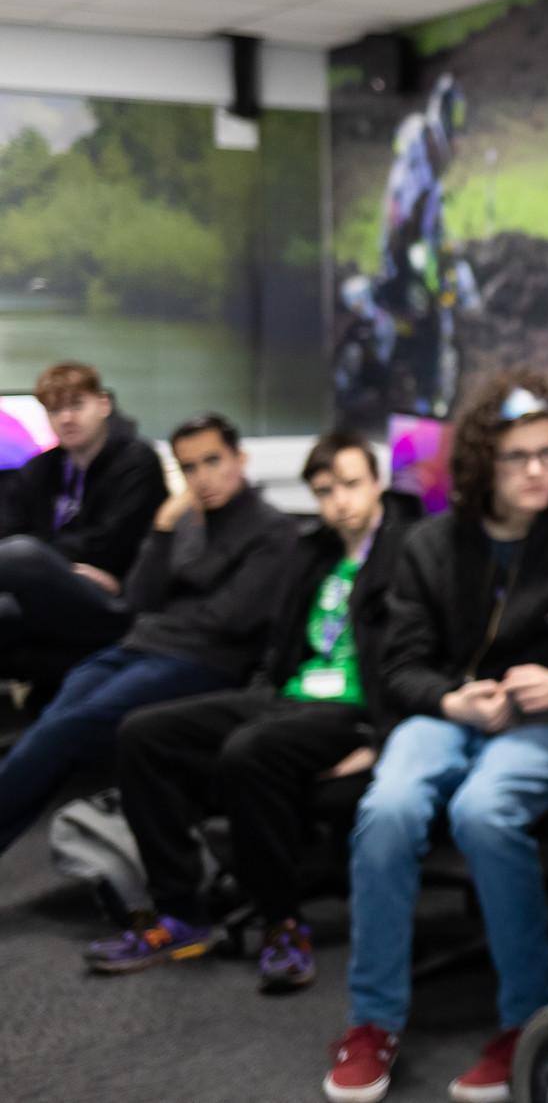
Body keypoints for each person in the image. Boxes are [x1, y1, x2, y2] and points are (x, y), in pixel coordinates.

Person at [325, 370, 548, 1103]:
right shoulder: (431, 544)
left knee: (484, 810)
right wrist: (453, 698)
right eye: (518, 456)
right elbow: (398, 667)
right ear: (485, 461)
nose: (537, 470)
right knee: (386, 809)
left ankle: (526, 1017)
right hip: (450, 713)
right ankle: (373, 1021)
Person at [83, 431, 417, 991]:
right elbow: (282, 644)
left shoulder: (411, 552)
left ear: (378, 483)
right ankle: (180, 912)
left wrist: (387, 738)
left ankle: (282, 924)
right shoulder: (314, 552)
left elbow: (425, 657)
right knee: (144, 733)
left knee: (249, 751)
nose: (340, 501)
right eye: (325, 490)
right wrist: (267, 686)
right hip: (289, 695)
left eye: (353, 485)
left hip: (355, 710)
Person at [0, 412, 295, 859]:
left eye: (213, 461)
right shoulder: (186, 522)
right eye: (190, 467)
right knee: (49, 726)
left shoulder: (274, 530)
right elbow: (137, 599)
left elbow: (229, 619)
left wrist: (172, 601)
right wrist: (160, 528)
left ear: (240, 458)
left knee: (66, 730)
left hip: (203, 663)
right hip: (141, 646)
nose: (203, 477)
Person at [0, 361, 168, 681]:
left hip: (117, 601)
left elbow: (109, 543)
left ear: (103, 404)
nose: (66, 418)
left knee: (24, 555)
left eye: (76, 405)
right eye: (55, 410)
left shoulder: (137, 461)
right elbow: (7, 531)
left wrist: (46, 562)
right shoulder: (40, 469)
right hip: (55, 594)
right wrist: (60, 568)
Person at [343, 74, 468, 415]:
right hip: (398, 263)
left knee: (432, 318)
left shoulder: (432, 188)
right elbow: (403, 221)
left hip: (416, 263)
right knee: (407, 317)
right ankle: (377, 383)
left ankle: (426, 396)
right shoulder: (413, 170)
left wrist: (447, 253)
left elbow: (434, 229)